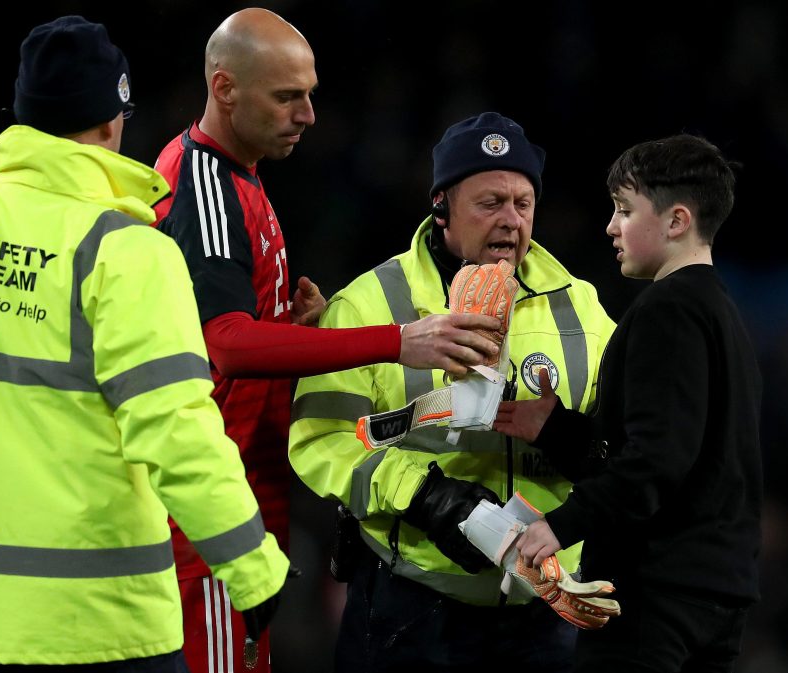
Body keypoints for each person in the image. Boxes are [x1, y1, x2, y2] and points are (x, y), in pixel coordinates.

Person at [0, 16, 288, 672]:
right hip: (104, 628)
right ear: (113, 122)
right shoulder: (129, 252)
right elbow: (179, 432)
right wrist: (256, 572)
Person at [152, 10, 502, 672]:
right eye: (288, 96)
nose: (309, 113)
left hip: (243, 500)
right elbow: (226, 346)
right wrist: (397, 341)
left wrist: (288, 330)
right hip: (211, 514)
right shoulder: (204, 182)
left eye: (309, 93)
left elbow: (217, 337)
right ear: (224, 88)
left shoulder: (240, 172)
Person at [288, 112, 617, 673]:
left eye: (523, 204)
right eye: (490, 203)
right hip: (410, 608)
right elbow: (320, 440)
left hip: (542, 615)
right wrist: (426, 496)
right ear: (440, 208)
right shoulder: (369, 305)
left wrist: (576, 443)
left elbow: (625, 445)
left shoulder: (581, 307)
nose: (511, 221)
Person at [498, 134, 762, 673]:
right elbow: (685, 455)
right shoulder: (723, 314)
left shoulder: (667, 310)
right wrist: (558, 431)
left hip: (655, 597)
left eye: (624, 209)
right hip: (715, 593)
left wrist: (560, 524)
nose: (610, 227)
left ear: (676, 221)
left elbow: (656, 461)